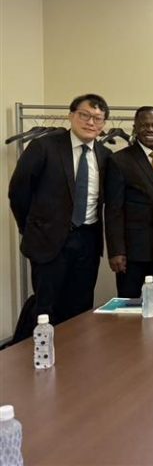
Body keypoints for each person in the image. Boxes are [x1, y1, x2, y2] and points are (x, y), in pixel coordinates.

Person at [9, 93, 112, 330]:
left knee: (81, 307)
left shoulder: (105, 155)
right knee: (46, 307)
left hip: (87, 240)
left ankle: (74, 362)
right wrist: (32, 228)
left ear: (104, 124)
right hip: (49, 241)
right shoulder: (44, 146)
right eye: (84, 115)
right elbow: (18, 192)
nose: (90, 123)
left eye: (98, 118)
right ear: (71, 116)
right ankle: (40, 360)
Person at [105, 107, 153, 298]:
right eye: (144, 125)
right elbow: (114, 210)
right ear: (135, 128)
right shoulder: (119, 160)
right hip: (133, 254)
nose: (150, 129)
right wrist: (116, 251)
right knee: (130, 310)